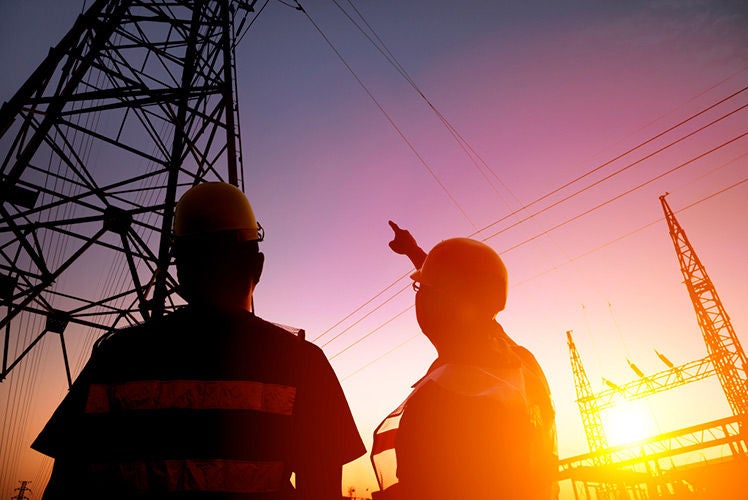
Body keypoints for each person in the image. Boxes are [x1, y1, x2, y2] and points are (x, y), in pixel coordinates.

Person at [33, 182, 365, 499]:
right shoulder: (302, 363)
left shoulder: (115, 357)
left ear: (180, 271)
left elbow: (66, 486)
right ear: (258, 267)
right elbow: (320, 490)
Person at [371, 222, 558, 499]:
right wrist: (415, 252)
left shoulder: (442, 393)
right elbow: (467, 296)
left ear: (437, 302)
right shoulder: (519, 363)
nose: (419, 297)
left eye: (420, 289)